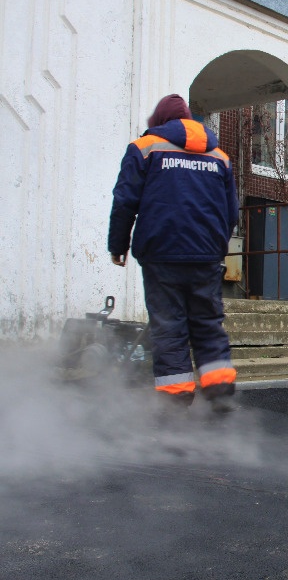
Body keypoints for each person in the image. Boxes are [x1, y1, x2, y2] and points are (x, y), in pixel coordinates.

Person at [108, 94, 239, 412]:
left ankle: (175, 397)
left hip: (161, 254)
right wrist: (215, 246)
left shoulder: (144, 148)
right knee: (207, 323)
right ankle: (219, 390)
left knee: (169, 326)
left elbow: (125, 202)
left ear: (160, 121)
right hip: (205, 257)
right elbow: (230, 211)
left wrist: (118, 245)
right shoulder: (219, 157)